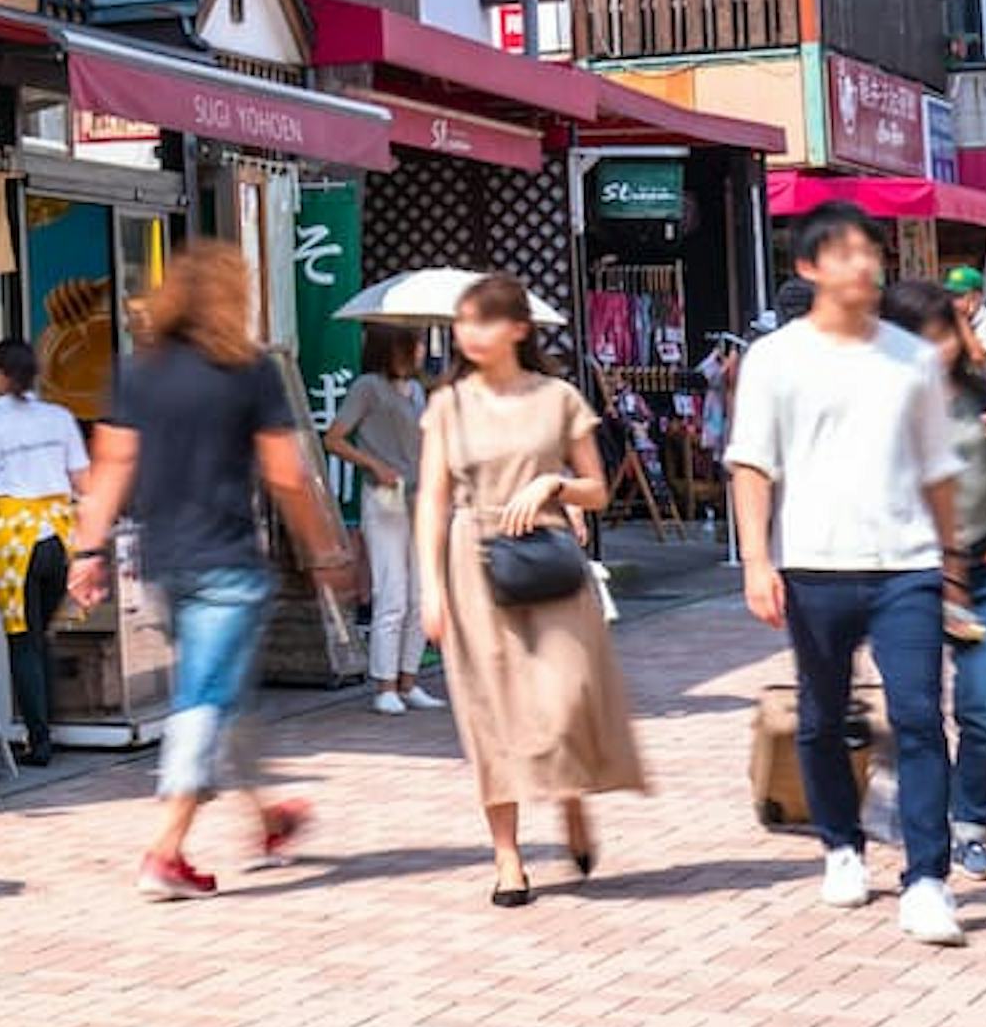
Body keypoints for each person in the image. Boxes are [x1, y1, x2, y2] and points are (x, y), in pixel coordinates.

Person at [66, 241, 357, 903]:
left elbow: (111, 465)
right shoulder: (249, 370)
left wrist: (88, 551)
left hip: (164, 565)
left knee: (224, 694)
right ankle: (165, 852)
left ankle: (269, 817)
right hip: (228, 563)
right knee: (203, 700)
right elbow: (287, 474)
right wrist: (326, 551)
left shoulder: (138, 372)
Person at [727, 200, 968, 948]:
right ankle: (841, 845)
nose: (865, 264)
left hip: (907, 564)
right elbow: (751, 465)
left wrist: (951, 562)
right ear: (809, 267)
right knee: (822, 716)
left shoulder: (913, 358)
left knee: (920, 716)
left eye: (871, 251)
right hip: (814, 563)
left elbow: (938, 469)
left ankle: (927, 880)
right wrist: (757, 560)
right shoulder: (775, 359)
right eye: (845, 252)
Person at [415, 273, 648, 907]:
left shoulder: (559, 397)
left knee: (567, 695)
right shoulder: (448, 405)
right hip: (472, 558)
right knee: (489, 710)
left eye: (482, 320)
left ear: (518, 328)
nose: (469, 333)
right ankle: (508, 857)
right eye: (463, 321)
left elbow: (596, 491)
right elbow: (432, 498)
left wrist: (553, 485)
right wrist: (429, 587)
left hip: (547, 555)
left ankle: (570, 795)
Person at [894, 278, 986, 887]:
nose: (941, 348)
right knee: (918, 714)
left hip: (984, 573)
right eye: (925, 336)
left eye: (946, 334)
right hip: (910, 578)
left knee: (984, 709)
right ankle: (924, 831)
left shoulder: (983, 395)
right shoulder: (886, 407)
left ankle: (972, 827)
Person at [0, 340, 88, 766]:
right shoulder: (60, 417)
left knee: (23, 640)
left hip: (15, 542)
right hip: (59, 538)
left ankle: (39, 739)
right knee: (42, 634)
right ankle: (49, 726)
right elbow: (83, 480)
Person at [323, 326, 433, 719]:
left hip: (420, 497)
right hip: (384, 498)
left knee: (421, 594)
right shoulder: (368, 387)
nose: (421, 351)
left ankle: (408, 680)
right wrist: (374, 464)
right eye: (414, 344)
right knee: (392, 591)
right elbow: (334, 438)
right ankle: (385, 685)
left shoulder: (417, 390)